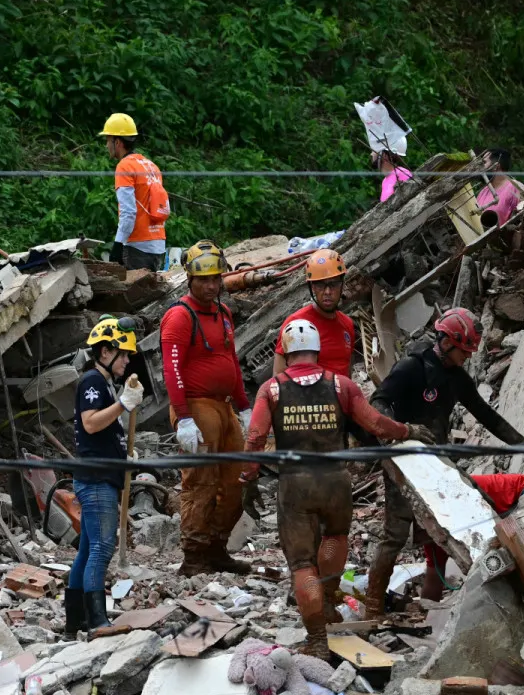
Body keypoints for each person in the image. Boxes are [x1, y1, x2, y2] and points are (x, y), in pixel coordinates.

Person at [242, 320, 422, 657]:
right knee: (334, 539)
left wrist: (248, 477)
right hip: (336, 481)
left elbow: (255, 437)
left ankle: (316, 639)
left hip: (295, 485)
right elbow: (375, 423)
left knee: (302, 564)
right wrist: (407, 431)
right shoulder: (340, 384)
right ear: (317, 349)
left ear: (286, 352)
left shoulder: (272, 389)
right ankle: (326, 601)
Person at [367, 307, 524, 607]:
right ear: (445, 343)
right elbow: (378, 402)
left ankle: (444, 605)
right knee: (394, 536)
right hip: (405, 463)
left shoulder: (456, 378)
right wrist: (397, 432)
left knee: (454, 527)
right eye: (464, 350)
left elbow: (487, 416)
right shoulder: (411, 367)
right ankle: (373, 604)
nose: (468, 356)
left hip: (438, 465)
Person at [160, 239, 250, 576]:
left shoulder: (223, 313)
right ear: (190, 279)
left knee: (236, 479)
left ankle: (217, 547)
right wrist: (184, 418)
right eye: (204, 280)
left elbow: (231, 360)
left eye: (216, 279)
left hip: (224, 408)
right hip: (197, 407)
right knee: (201, 482)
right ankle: (194, 556)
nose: (211, 286)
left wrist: (244, 407)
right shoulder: (179, 317)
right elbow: (171, 369)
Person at [65, 317, 145, 636]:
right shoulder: (93, 381)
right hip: (96, 479)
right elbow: (90, 423)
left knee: (88, 550)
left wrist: (122, 453)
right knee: (102, 546)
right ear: (105, 352)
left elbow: (103, 431)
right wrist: (123, 404)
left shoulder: (104, 383)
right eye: (122, 354)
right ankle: (97, 621)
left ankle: (75, 622)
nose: (127, 360)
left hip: (101, 474)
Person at [100, 113, 171, 271]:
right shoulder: (151, 166)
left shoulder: (124, 166)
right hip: (158, 245)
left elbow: (128, 212)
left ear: (117, 142)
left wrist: (118, 244)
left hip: (137, 247)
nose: (106, 145)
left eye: (107, 140)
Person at [272, 249, 357, 378]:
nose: (327, 291)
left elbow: (347, 370)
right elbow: (278, 376)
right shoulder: (296, 324)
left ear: (342, 285)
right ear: (312, 287)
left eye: (333, 284)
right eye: (320, 285)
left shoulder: (347, 324)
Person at [475, 148, 524, 227]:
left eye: (484, 162)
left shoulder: (516, 188)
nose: (480, 167)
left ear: (496, 166)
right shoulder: (483, 192)